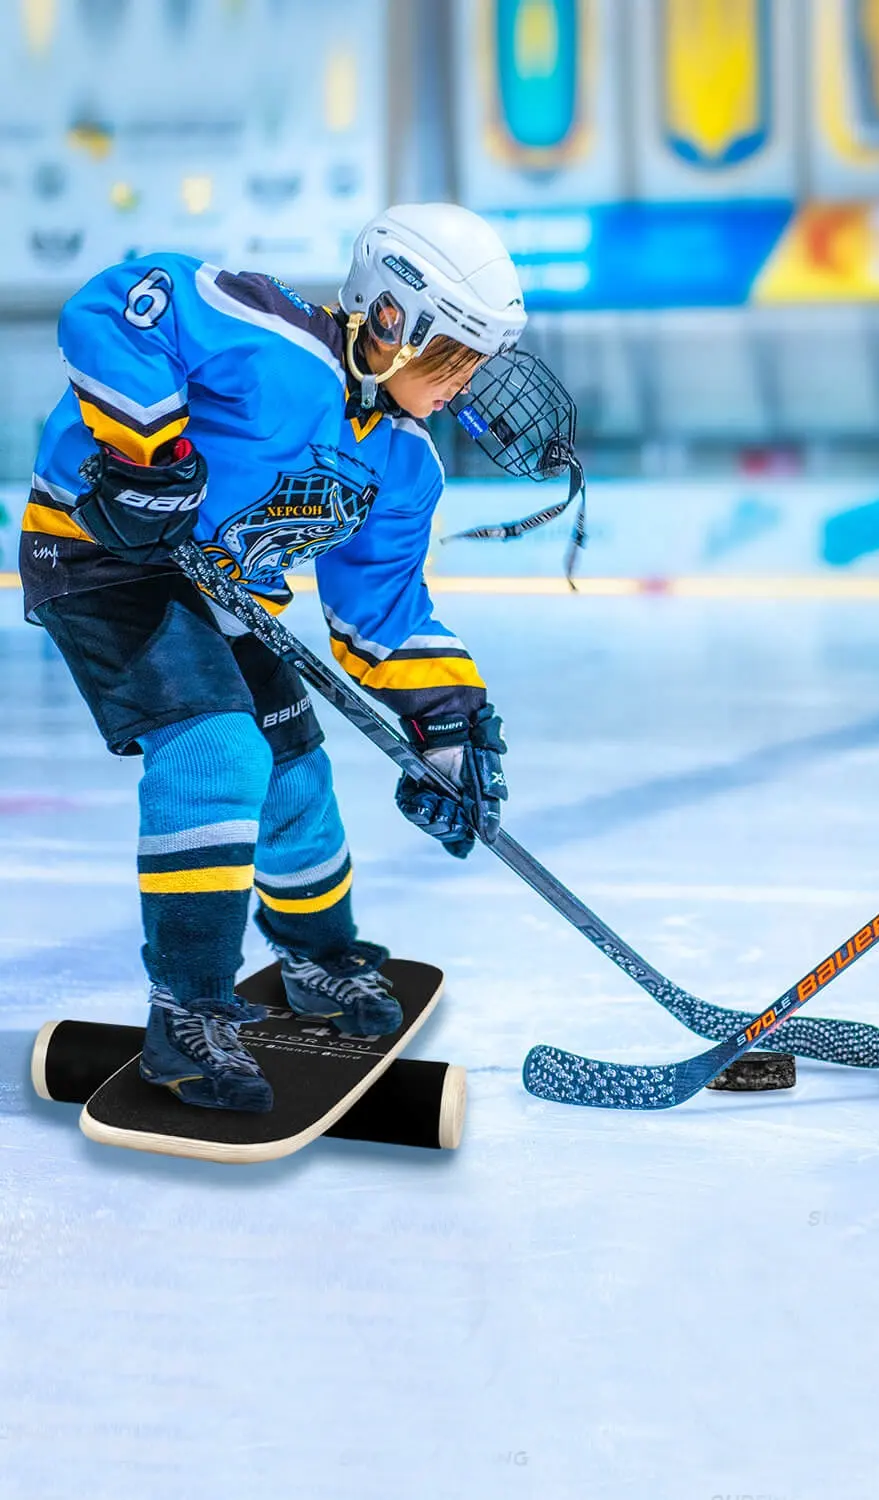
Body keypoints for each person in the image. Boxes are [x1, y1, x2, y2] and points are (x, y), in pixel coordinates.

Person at [23, 204, 523, 1112]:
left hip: (217, 586)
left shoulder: (405, 465)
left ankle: (319, 955)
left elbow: (382, 614)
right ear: (390, 319)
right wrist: (152, 454)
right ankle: (190, 1010)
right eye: (455, 356)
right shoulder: (273, 343)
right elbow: (117, 307)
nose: (465, 383)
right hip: (100, 554)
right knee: (220, 751)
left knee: (295, 772)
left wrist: (446, 722)